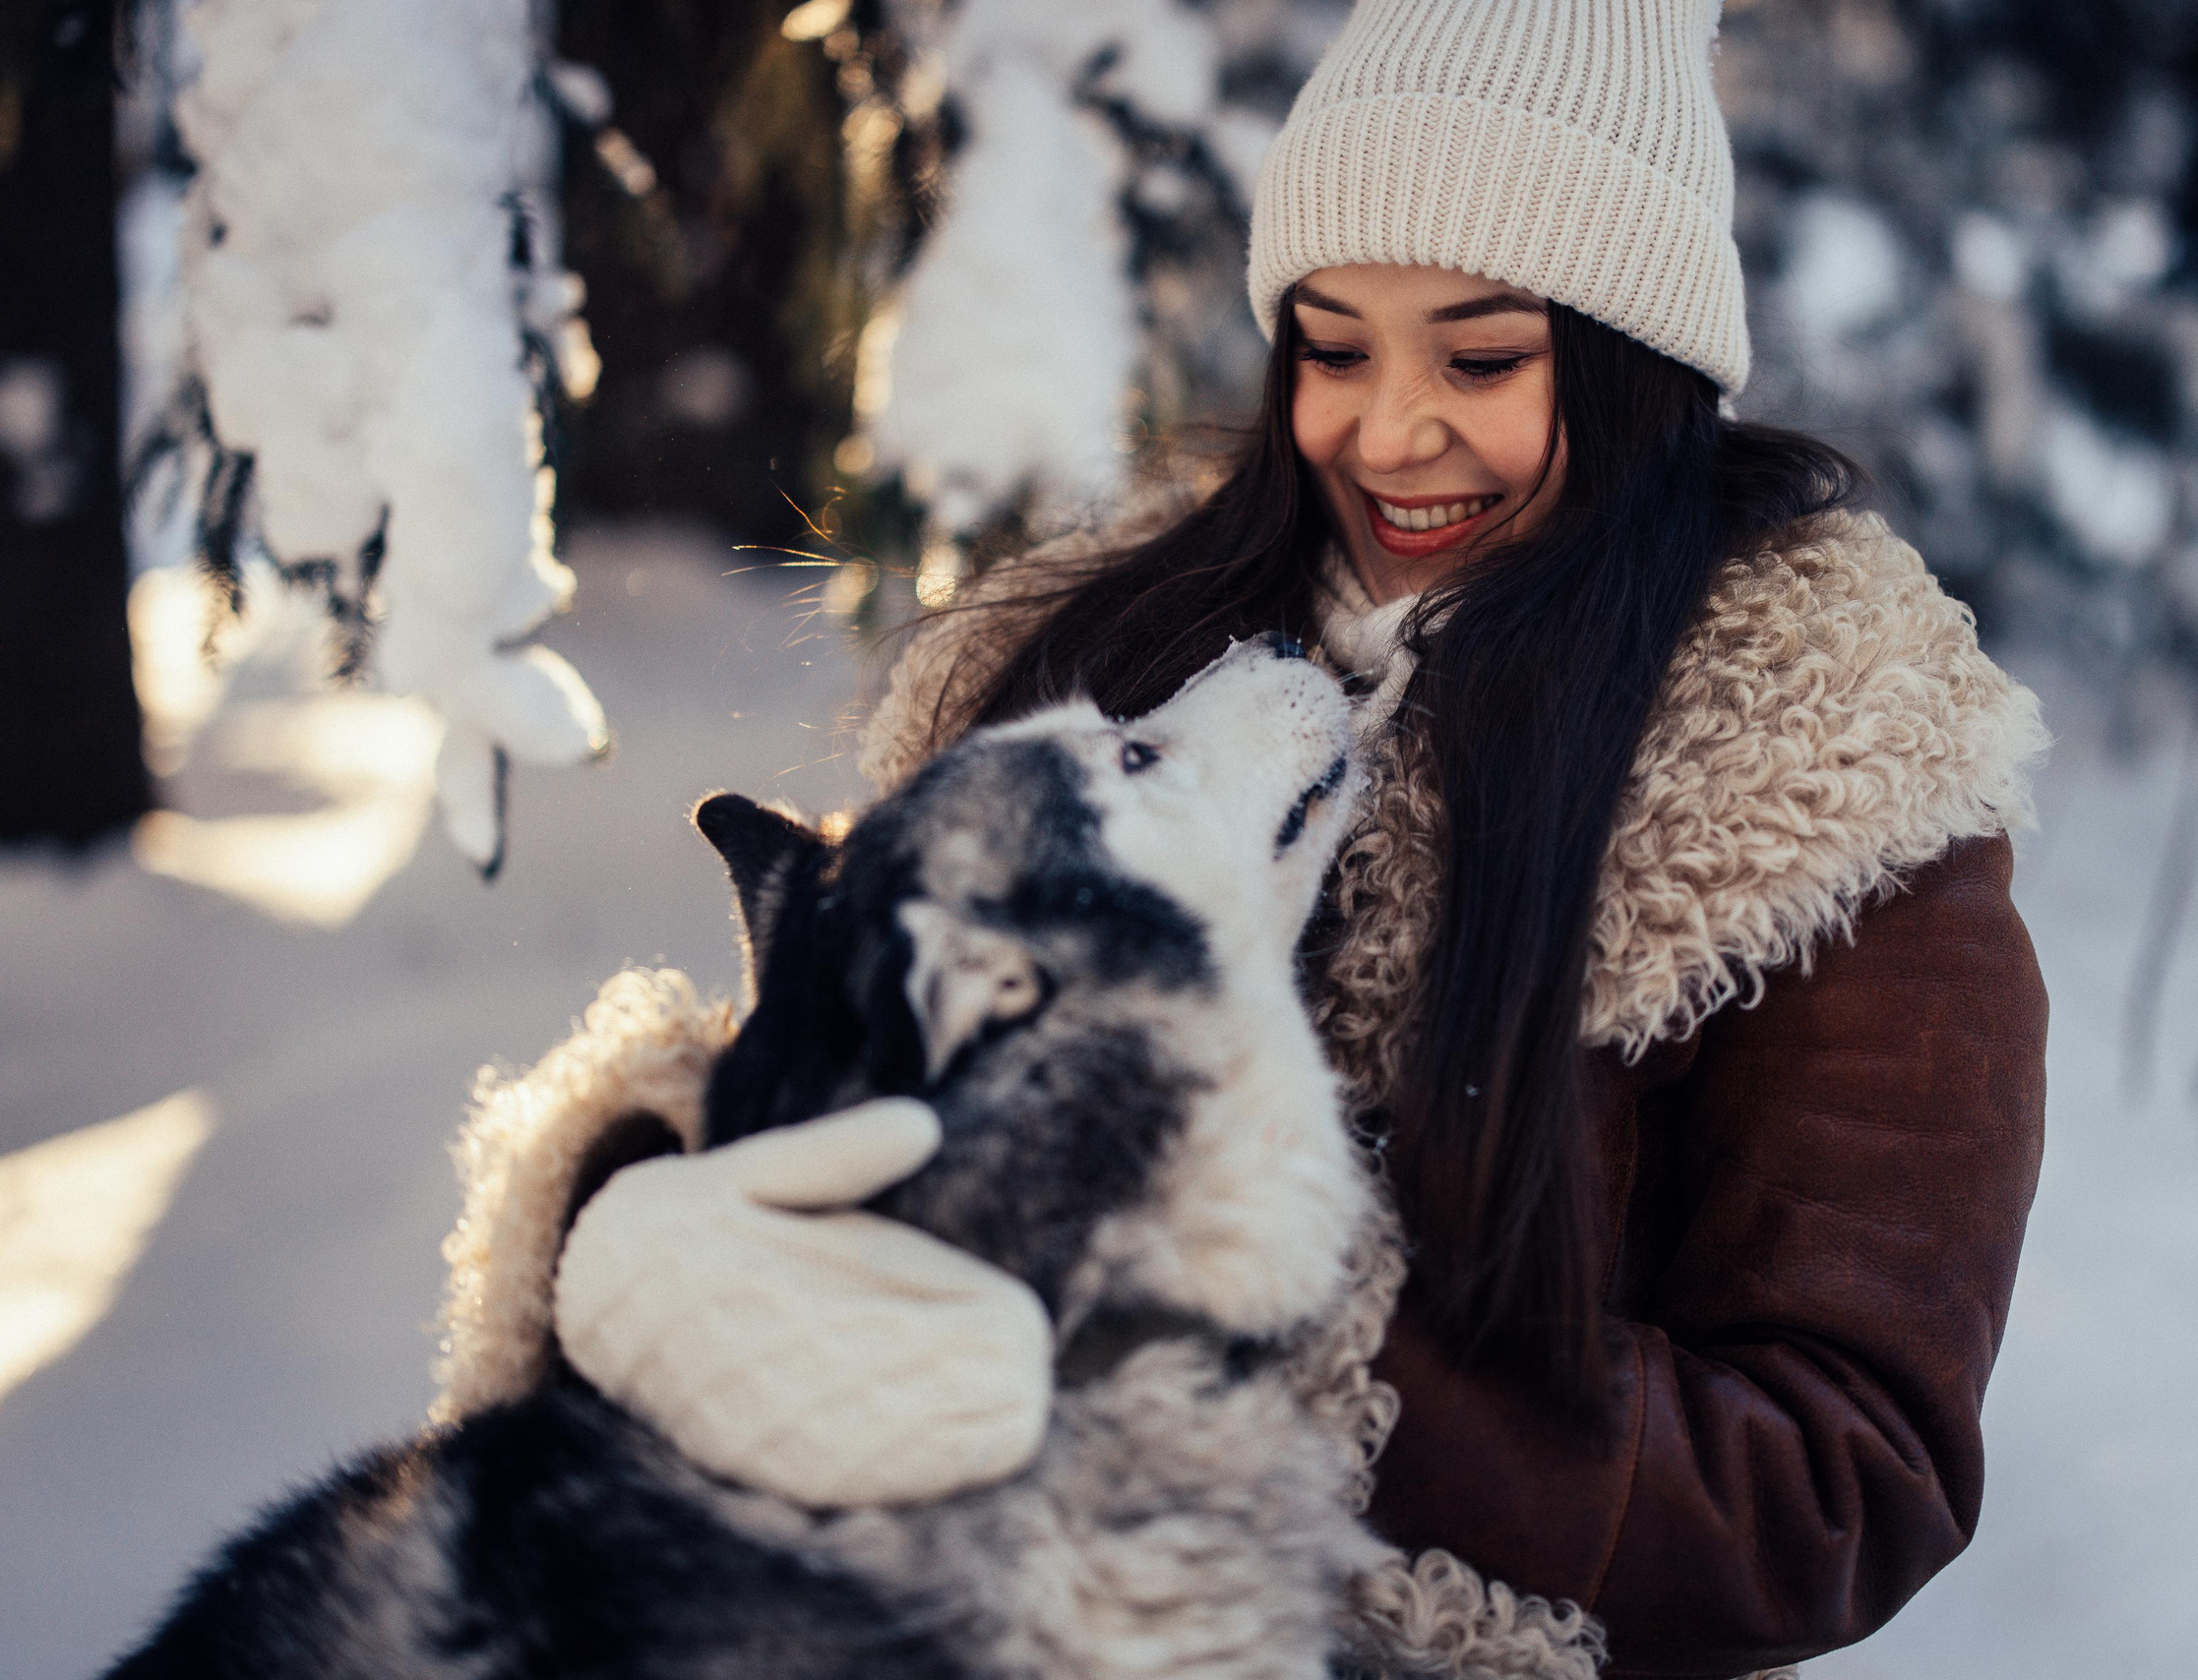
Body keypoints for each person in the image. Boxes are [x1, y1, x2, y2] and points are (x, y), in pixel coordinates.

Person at [448, 4, 2049, 1677]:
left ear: (1635, 362)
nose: (1389, 431)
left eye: (1482, 359)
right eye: (1334, 349)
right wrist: (646, 1203)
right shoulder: (1102, 657)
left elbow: (1832, 1490)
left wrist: (1272, 1329)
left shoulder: (1840, 790)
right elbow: (880, 1040)